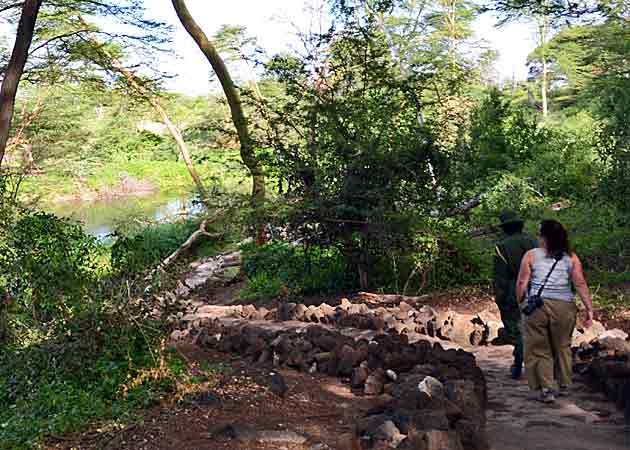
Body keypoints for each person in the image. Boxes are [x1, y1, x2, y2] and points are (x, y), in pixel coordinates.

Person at [516, 219, 594, 403]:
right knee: (563, 346)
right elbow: (580, 283)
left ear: (543, 237)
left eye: (539, 234)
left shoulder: (531, 255)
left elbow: (521, 282)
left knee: (539, 348)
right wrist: (589, 309)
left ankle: (546, 389)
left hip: (538, 306)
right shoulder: (571, 257)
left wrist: (520, 302)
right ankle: (564, 384)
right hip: (564, 307)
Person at [493, 211, 538, 379]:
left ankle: (518, 365)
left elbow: (501, 277)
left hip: (515, 291)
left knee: (518, 329)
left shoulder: (501, 247)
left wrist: (500, 298)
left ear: (504, 228)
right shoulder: (534, 242)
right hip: (538, 290)